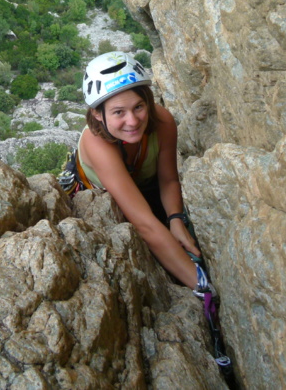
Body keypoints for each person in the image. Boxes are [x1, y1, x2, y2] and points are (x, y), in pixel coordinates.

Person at [73, 51, 212, 296]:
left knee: (188, 243)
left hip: (147, 189)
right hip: (107, 198)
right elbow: (144, 224)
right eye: (118, 112)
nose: (133, 121)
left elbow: (168, 178)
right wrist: (201, 285)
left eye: (139, 107)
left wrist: (175, 219)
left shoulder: (162, 121)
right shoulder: (97, 143)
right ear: (97, 113)